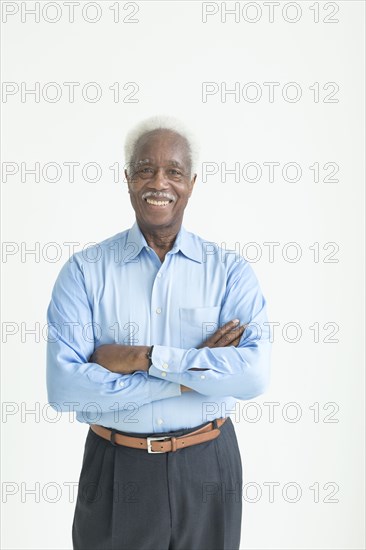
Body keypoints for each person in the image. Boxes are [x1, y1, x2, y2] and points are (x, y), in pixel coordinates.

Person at [46, 115, 271, 550]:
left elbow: (253, 375)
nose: (159, 182)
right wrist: (193, 376)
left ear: (192, 182)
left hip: (209, 466)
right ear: (127, 179)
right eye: (146, 169)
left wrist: (146, 359)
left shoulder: (230, 273)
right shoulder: (84, 273)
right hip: (116, 468)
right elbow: (65, 389)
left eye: (174, 171)